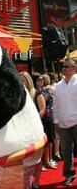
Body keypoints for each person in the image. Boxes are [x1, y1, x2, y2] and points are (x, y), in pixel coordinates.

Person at [20, 71, 46, 189]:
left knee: (37, 157)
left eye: (23, 80)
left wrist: (33, 121)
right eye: (19, 80)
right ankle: (26, 181)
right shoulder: (18, 95)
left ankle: (36, 183)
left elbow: (43, 110)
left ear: (28, 80)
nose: (21, 82)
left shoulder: (36, 93)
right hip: (22, 132)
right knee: (25, 158)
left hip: (36, 130)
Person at [53, 58, 77, 186]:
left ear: (74, 69)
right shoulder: (58, 85)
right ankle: (69, 175)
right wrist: (56, 121)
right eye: (63, 66)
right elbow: (55, 105)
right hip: (63, 123)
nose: (64, 69)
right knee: (66, 151)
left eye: (67, 67)